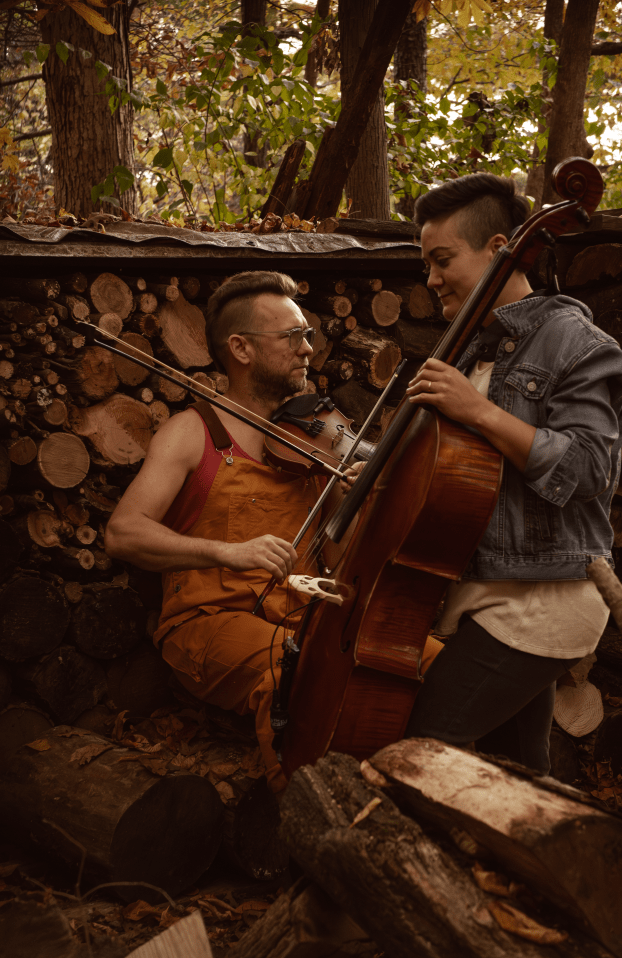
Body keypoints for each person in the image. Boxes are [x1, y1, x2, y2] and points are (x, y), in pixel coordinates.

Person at [103, 270, 438, 793]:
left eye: (308, 334)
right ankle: (307, 808)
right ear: (241, 348)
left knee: (431, 659)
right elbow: (123, 533)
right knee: (300, 671)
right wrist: (228, 552)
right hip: (210, 623)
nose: (308, 348)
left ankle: (427, 790)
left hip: (306, 614)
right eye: (292, 336)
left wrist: (351, 499)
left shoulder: (313, 438)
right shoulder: (193, 433)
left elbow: (338, 558)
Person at [402, 172, 622, 774]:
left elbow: (587, 468)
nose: (431, 279)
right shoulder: (472, 348)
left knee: (426, 744)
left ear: (500, 248)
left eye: (442, 260)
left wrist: (477, 410)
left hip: (542, 599)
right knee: (518, 773)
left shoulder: (575, 343)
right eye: (426, 264)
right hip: (484, 596)